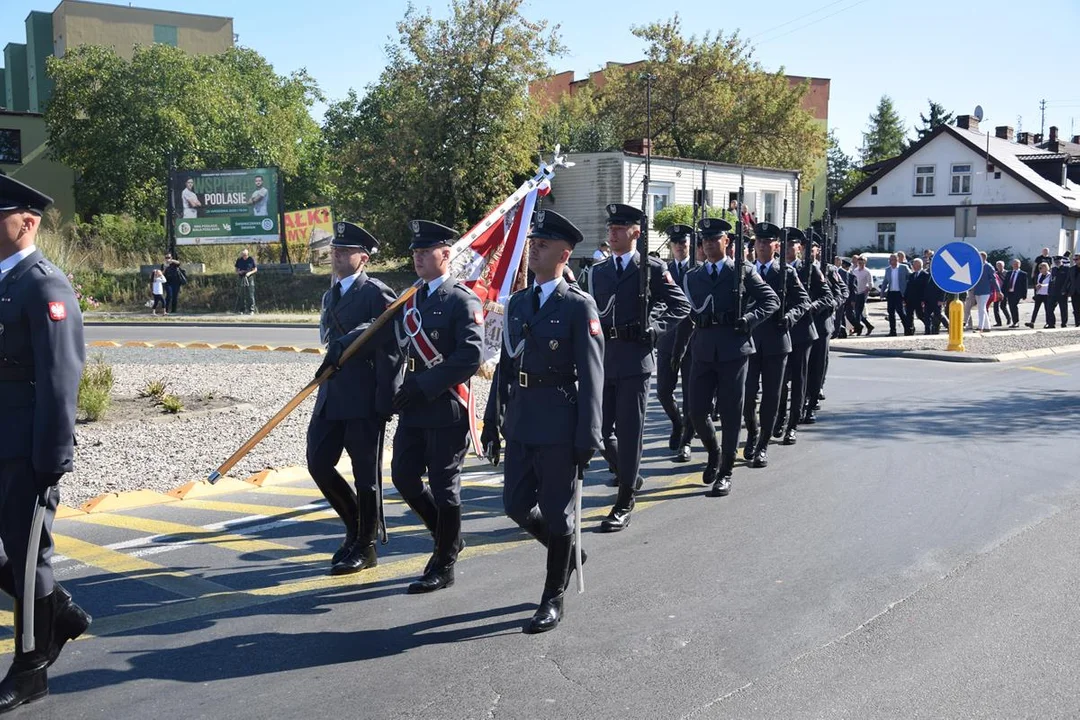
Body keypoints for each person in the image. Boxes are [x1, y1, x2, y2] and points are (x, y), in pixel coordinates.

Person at [482, 209, 602, 634]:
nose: (534, 248)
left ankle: (552, 597)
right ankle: (567, 552)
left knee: (557, 513)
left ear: (565, 254)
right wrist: (491, 417)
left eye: (543, 244)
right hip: (521, 418)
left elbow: (591, 375)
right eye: (533, 242)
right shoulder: (518, 303)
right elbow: (506, 365)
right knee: (514, 505)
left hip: (557, 421)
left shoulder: (577, 306)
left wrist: (589, 434)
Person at [0, 173, 92, 713]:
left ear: (26, 223)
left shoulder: (44, 283)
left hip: (28, 447)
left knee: (31, 556)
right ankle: (59, 612)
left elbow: (61, 377)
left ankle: (31, 668)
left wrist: (53, 456)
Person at [391, 220, 483, 593]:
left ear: (446, 254)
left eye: (425, 252)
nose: (418, 258)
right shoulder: (411, 298)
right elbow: (396, 345)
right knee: (403, 476)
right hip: (414, 407)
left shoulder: (461, 299)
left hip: (445, 406)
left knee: (445, 487)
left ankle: (444, 562)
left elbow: (470, 357)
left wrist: (424, 385)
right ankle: (448, 537)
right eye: (415, 252)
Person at [587, 203, 689, 532]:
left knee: (630, 433)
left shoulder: (652, 269)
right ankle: (630, 475)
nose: (612, 232)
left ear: (636, 233)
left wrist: (655, 328)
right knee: (600, 432)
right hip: (604, 359)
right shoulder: (596, 271)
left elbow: (680, 305)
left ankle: (625, 497)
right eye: (610, 228)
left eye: (620, 228)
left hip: (634, 360)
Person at [307, 222, 402, 576]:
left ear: (363, 258)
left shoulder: (376, 292)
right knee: (318, 462)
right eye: (335, 250)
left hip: (363, 399)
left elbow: (391, 339)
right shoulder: (331, 294)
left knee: (366, 476)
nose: (337, 255)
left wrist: (386, 399)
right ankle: (354, 527)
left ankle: (366, 545)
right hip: (332, 394)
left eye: (345, 251)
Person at [683, 217, 779, 494]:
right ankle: (713, 452)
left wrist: (749, 319)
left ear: (727, 242)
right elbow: (685, 308)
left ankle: (725, 470)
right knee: (697, 411)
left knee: (731, 412)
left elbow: (770, 300)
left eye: (716, 239)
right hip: (702, 349)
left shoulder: (742, 271)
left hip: (733, 349)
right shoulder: (693, 276)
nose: (710, 244)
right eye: (706, 240)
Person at [742, 223, 808, 468]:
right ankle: (751, 433)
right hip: (749, 341)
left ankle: (762, 446)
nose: (761, 245)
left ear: (776, 246)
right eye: (758, 241)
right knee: (748, 396)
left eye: (766, 241)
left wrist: (789, 317)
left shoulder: (786, 273)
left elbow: (803, 301)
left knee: (771, 396)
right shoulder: (745, 271)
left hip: (777, 342)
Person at [776, 232, 831, 442]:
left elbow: (827, 295)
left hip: (801, 332)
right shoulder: (776, 269)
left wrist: (811, 307)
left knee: (800, 380)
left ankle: (793, 423)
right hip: (780, 332)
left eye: (793, 245)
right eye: (785, 244)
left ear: (799, 248)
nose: (788, 248)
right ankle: (779, 416)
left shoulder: (809, 269)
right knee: (779, 381)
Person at [655, 225, 694, 462]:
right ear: (670, 246)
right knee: (662, 392)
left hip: (691, 340)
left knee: (691, 395)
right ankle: (677, 423)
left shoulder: (696, 269)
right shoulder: (664, 270)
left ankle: (687, 441)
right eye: (676, 243)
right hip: (668, 338)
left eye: (684, 242)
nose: (680, 246)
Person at [802, 237, 839, 424]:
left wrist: (829, 305)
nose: (808, 250)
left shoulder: (828, 269)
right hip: (801, 324)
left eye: (812, 247)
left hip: (821, 322)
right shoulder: (798, 269)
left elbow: (840, 293)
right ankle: (801, 401)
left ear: (818, 249)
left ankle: (812, 398)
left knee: (817, 366)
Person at [880, 253, 912, 336]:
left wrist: (907, 288)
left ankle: (908, 329)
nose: (891, 261)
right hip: (891, 293)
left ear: (897, 260)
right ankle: (892, 331)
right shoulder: (888, 269)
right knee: (890, 312)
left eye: (893, 259)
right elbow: (885, 282)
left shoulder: (903, 268)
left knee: (901, 311)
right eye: (890, 260)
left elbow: (910, 276)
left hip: (900, 293)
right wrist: (882, 292)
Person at [849, 255, 875, 335]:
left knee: (858, 312)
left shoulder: (867, 271)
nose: (860, 262)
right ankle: (867, 326)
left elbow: (871, 284)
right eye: (859, 261)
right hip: (855, 293)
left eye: (862, 261)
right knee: (857, 313)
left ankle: (859, 328)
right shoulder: (855, 271)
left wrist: (866, 289)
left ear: (865, 262)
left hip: (862, 294)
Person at [971, 251, 995, 332]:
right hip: (977, 290)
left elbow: (994, 279)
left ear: (984, 258)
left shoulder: (989, 267)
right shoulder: (977, 266)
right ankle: (987, 327)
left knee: (982, 308)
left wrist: (998, 291)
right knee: (982, 308)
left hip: (985, 290)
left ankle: (980, 327)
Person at [1026, 262, 1052, 328]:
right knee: (1036, 308)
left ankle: (1048, 322)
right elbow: (1037, 283)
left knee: (1047, 309)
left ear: (1046, 268)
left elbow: (1050, 284)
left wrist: (1042, 285)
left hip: (1046, 294)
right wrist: (1036, 286)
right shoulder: (1039, 275)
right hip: (1039, 293)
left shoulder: (1050, 275)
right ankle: (1032, 322)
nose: (1040, 269)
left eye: (1041, 268)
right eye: (1039, 268)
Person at [905, 258, 929, 331]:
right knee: (909, 315)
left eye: (915, 264)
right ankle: (910, 330)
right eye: (913, 264)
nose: (913, 266)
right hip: (910, 299)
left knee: (920, 315)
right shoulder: (912, 275)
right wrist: (905, 298)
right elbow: (908, 287)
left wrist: (923, 300)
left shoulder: (925, 275)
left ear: (919, 265)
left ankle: (929, 326)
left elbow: (926, 289)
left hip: (919, 299)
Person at [1004, 259, 1027, 329]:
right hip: (1009, 292)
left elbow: (1025, 285)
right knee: (1011, 307)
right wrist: (1003, 293)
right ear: (1012, 265)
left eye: (1017, 264)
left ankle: (1016, 322)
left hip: (1017, 293)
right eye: (1014, 264)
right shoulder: (1009, 273)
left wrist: (1024, 295)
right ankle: (1015, 322)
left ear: (1019, 265)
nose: (1015, 265)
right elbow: (1005, 284)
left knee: (1013, 306)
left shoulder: (1023, 274)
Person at [1049, 255, 1070, 328]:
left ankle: (1064, 323)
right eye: (1055, 262)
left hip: (1062, 292)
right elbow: (1051, 281)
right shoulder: (1053, 269)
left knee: (1063, 308)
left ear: (1061, 261)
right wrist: (1049, 291)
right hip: (1053, 292)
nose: (1057, 263)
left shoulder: (1066, 269)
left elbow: (1068, 281)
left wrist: (1065, 290)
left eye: (1058, 261)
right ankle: (1051, 323)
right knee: (1050, 308)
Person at [235, 248, 257, 314]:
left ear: (247, 254)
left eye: (245, 255)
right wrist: (239, 272)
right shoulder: (239, 260)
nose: (244, 256)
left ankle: (251, 310)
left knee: (250, 294)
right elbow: (236, 269)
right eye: (243, 255)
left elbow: (255, 269)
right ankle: (242, 309)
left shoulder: (251, 259)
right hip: (241, 277)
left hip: (249, 277)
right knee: (241, 294)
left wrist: (249, 273)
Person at [992, 260, 1011, 327]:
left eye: (1000, 265)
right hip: (997, 292)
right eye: (998, 265)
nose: (999, 267)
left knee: (1003, 306)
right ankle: (998, 322)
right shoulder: (995, 273)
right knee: (995, 308)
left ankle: (1008, 318)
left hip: (1004, 291)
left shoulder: (1007, 273)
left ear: (1003, 266)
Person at [1069, 254, 1080, 327]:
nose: (1075, 261)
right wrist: (1065, 290)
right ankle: (1077, 323)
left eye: (1077, 259)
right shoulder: (1072, 269)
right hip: (1074, 291)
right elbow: (1068, 280)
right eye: (1074, 260)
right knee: (1075, 308)